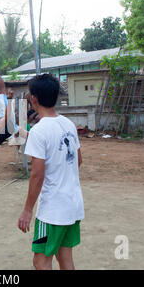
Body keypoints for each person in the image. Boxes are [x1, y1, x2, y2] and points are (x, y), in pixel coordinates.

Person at [17, 74, 84, 270]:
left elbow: (37, 174)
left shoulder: (39, 130)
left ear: (34, 98)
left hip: (52, 213)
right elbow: (78, 160)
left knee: (41, 260)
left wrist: (28, 210)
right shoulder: (68, 124)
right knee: (65, 258)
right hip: (73, 204)